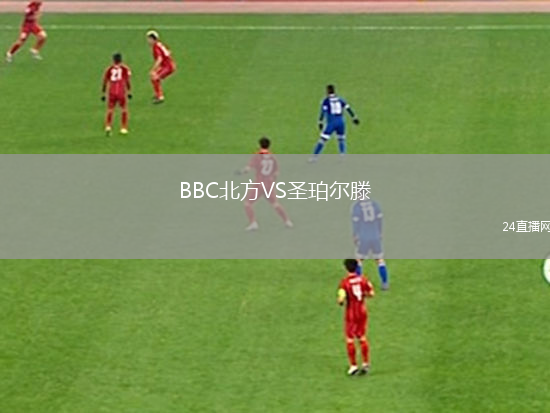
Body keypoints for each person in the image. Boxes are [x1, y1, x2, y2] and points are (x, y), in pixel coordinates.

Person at [236, 137, 293, 231]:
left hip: (259, 184)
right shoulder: (272, 157)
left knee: (247, 203)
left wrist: (241, 172)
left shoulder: (257, 156)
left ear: (259, 145)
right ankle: (287, 221)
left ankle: (253, 223)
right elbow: (276, 173)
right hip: (269, 184)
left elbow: (248, 168)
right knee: (275, 203)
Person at [337, 259, 374, 376]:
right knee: (362, 337)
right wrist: (362, 295)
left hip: (351, 313)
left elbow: (341, 299)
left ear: (346, 268)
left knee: (350, 339)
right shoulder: (364, 279)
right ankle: (366, 363)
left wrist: (341, 301)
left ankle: (353, 366)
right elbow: (371, 293)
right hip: (362, 311)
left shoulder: (344, 283)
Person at [310, 84, 359, 162]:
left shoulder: (326, 101)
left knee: (322, 140)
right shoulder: (340, 100)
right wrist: (354, 118)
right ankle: (342, 156)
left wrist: (320, 122)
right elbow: (348, 108)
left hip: (332, 122)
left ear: (327, 91)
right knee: (341, 139)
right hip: (341, 121)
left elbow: (323, 112)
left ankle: (314, 157)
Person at [351, 198, 389, 290]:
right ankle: (385, 283)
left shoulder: (357, 206)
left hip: (364, 236)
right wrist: (379, 232)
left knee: (359, 260)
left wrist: (355, 235)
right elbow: (380, 220)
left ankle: (359, 283)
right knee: (379, 260)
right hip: (375, 236)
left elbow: (355, 223)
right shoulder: (375, 204)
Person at [101, 53, 132, 136]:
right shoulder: (125, 69)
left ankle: (108, 126)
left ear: (113, 60)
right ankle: (123, 128)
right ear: (121, 60)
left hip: (112, 91)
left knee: (110, 109)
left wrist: (103, 93)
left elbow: (105, 81)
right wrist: (129, 91)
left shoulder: (109, 69)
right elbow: (127, 80)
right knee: (124, 109)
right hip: (121, 91)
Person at [146, 30, 176, 104]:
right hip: (168, 65)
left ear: (153, 39)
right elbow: (168, 52)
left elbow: (159, 59)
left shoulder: (156, 47)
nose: (148, 41)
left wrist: (153, 69)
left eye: (149, 39)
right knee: (154, 78)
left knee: (154, 77)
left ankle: (160, 97)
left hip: (168, 67)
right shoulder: (160, 44)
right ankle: (158, 94)